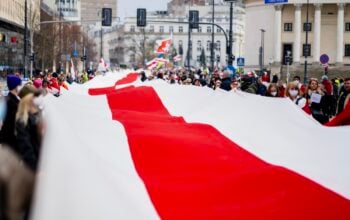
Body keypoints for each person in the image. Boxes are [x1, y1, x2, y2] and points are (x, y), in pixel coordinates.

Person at [15, 93, 43, 171]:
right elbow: (26, 147)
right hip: (32, 165)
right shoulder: (22, 121)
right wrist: (35, 166)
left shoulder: (34, 117)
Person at [0, 75, 22, 152]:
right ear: (15, 86)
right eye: (19, 85)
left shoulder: (11, 100)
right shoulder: (11, 102)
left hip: (10, 140)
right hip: (11, 141)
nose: (20, 87)